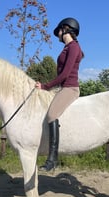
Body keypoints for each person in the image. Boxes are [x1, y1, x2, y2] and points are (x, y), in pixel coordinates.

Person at [35, 17, 84, 171]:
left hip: (70, 88)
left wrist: (45, 86)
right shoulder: (67, 48)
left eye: (59, 31)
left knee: (51, 115)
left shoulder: (74, 47)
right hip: (63, 88)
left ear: (66, 29)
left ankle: (53, 159)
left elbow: (64, 75)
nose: (58, 35)